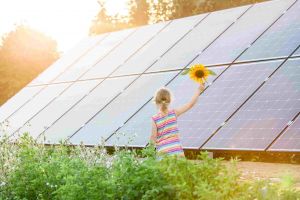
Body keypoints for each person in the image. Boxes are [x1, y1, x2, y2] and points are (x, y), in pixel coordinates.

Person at [150, 83, 205, 158]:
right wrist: (199, 90)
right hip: (177, 151)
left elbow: (153, 137)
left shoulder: (155, 119)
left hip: (163, 153)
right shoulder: (174, 113)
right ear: (169, 101)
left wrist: (150, 152)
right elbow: (190, 105)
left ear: (156, 101)